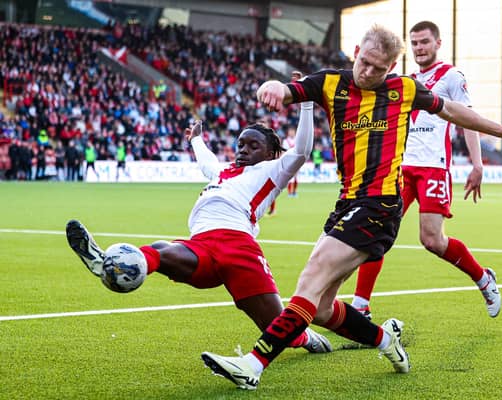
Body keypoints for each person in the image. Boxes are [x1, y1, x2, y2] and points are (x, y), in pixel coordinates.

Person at [201, 24, 502, 390]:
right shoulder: (330, 83)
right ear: (356, 51)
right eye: (365, 62)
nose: (369, 72)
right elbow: (290, 90)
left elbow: (451, 110)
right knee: (324, 309)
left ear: (391, 67)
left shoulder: (404, 89)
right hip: (347, 203)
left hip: (381, 206)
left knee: (311, 277)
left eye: (380, 68)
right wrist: (274, 87)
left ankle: (253, 364)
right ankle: (385, 340)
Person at [66, 100, 332, 356]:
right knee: (162, 250)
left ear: (271, 154)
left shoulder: (272, 170)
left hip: (238, 247)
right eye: (240, 144)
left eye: (253, 146)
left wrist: (306, 105)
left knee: (277, 331)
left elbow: (301, 151)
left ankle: (306, 338)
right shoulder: (223, 172)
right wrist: (195, 139)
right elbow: (206, 161)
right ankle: (110, 266)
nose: (244, 150)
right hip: (200, 245)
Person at [351, 21, 499, 321]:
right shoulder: (406, 81)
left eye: (424, 42)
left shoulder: (452, 76)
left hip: (433, 168)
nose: (419, 48)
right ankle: (360, 306)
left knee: (432, 241)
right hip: (400, 169)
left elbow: (468, 119)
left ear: (438, 43)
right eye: (414, 43)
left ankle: (483, 278)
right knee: (375, 233)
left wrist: (477, 163)